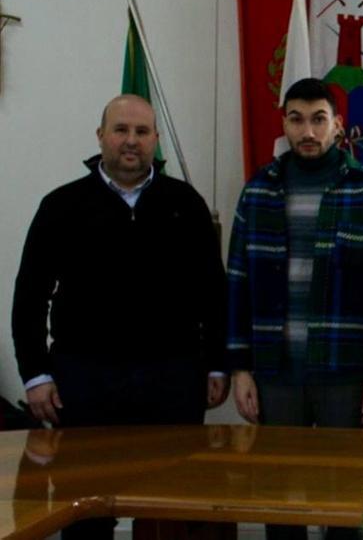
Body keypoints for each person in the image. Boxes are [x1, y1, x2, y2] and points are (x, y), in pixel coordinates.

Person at [11, 94, 227, 539]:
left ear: (155, 140)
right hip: (85, 380)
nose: (131, 141)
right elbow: (29, 296)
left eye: (142, 132)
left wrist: (217, 362)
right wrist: (35, 375)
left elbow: (213, 292)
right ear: (100, 136)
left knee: (175, 506)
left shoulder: (185, 203)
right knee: (87, 509)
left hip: (174, 377)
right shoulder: (61, 205)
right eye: (121, 130)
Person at [227, 78, 363, 431]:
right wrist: (240, 368)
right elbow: (237, 283)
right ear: (284, 125)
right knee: (276, 478)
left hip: (345, 369)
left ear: (337, 125)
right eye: (296, 119)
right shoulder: (259, 190)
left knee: (341, 479)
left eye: (318, 119)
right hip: (274, 369)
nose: (308, 130)